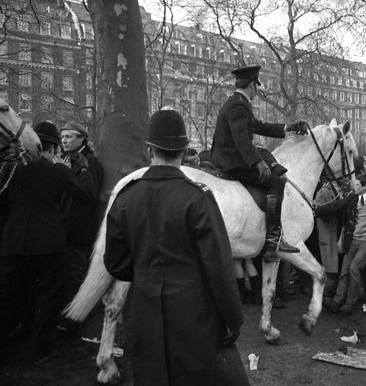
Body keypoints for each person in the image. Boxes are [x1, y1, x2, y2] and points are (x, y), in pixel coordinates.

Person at [104, 109, 249, 386]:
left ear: (149, 150)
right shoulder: (198, 198)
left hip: (145, 309)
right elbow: (219, 268)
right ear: (184, 151)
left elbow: (115, 263)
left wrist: (148, 273)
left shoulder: (126, 197)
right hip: (194, 312)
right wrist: (233, 318)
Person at [0, 121, 95, 363]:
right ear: (53, 146)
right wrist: (83, 170)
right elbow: (86, 194)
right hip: (48, 242)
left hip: (13, 242)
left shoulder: (10, 169)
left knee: (13, 293)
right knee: (47, 295)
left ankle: (12, 337)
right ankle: (38, 348)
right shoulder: (58, 171)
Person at [209, 65, 306, 260]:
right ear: (252, 85)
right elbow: (242, 140)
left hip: (228, 157)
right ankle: (273, 239)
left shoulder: (236, 102)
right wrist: (258, 164)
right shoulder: (238, 105)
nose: (257, 91)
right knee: (276, 182)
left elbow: (258, 126)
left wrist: (288, 128)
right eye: (256, 86)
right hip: (232, 161)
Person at [318, 174, 366, 314]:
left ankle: (350, 303)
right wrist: (318, 209)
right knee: (344, 271)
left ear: (365, 186)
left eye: (357, 185)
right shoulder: (352, 197)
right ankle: (337, 301)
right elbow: (336, 206)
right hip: (352, 239)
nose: (353, 187)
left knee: (355, 268)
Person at [58, 121, 104, 334]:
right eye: (63, 136)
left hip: (78, 228)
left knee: (76, 273)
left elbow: (89, 193)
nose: (64, 140)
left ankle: (72, 319)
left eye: (69, 136)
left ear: (81, 139)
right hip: (67, 226)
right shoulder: (69, 159)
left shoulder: (89, 162)